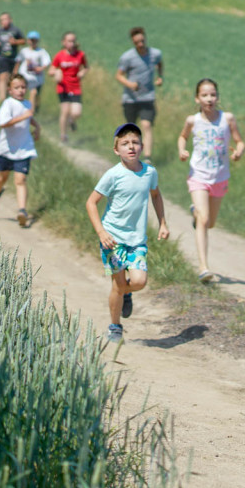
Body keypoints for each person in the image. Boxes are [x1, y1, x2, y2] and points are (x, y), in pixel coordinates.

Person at [85, 122, 170, 343]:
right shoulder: (113, 175)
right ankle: (115, 325)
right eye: (125, 143)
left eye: (135, 142)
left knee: (139, 281)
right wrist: (101, 232)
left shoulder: (150, 172)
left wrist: (162, 222)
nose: (131, 147)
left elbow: (156, 195)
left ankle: (127, 292)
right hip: (112, 239)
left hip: (137, 240)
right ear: (116, 150)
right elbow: (91, 203)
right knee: (118, 283)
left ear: (142, 146)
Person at [177, 78, 245, 282]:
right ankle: (203, 267)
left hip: (220, 177)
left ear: (218, 97)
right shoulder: (193, 120)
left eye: (213, 94)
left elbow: (239, 141)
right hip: (198, 175)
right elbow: (182, 137)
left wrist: (239, 152)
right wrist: (182, 149)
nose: (209, 99)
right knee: (204, 220)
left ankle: (195, 212)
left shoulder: (228, 119)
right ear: (197, 98)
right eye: (205, 95)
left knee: (211, 223)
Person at [0, 74, 39, 227]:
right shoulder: (7, 104)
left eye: (23, 87)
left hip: (24, 148)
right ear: (10, 90)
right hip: (6, 149)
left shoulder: (27, 105)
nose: (21, 90)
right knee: (1, 178)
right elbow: (3, 123)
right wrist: (24, 117)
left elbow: (29, 117)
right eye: (17, 88)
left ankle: (22, 211)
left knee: (20, 180)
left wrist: (37, 127)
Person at [115, 27, 163, 161]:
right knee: (131, 129)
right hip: (130, 99)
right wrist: (130, 84)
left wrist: (160, 77)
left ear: (145, 38)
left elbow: (160, 64)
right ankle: (131, 156)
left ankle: (147, 157)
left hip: (148, 97)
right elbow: (119, 76)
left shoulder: (155, 53)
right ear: (133, 42)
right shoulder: (127, 57)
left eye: (142, 41)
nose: (140, 44)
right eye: (137, 42)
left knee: (146, 125)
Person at [49, 31, 88, 144]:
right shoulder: (60, 55)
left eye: (73, 41)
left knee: (77, 112)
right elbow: (51, 70)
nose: (71, 43)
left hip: (75, 86)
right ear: (64, 42)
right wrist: (56, 72)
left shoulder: (80, 55)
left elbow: (86, 67)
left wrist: (83, 72)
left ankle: (71, 121)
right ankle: (63, 135)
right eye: (69, 41)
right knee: (65, 111)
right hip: (63, 87)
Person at [16, 31, 51, 114]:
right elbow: (18, 61)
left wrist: (40, 68)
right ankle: (24, 109)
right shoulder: (24, 51)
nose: (32, 42)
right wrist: (15, 73)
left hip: (36, 78)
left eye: (34, 40)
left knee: (34, 93)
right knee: (22, 92)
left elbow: (46, 62)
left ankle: (31, 111)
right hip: (24, 75)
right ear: (28, 40)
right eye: (31, 40)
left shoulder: (41, 52)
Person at [0, 12, 25, 100]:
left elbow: (23, 41)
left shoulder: (15, 30)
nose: (4, 21)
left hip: (13, 57)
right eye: (2, 20)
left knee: (11, 78)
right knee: (3, 76)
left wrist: (15, 42)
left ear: (10, 20)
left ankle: (10, 96)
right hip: (2, 57)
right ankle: (2, 99)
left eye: (5, 19)